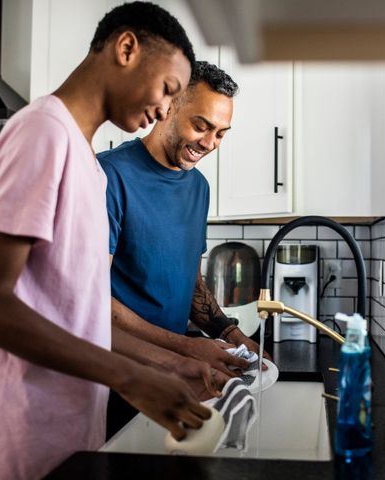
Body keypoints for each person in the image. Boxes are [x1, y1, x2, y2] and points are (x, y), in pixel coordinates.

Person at [0, 3, 211, 479]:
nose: (167, 109)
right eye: (167, 89)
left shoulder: (86, 162)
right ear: (126, 48)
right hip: (9, 430)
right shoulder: (43, 132)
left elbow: (76, 313)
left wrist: (171, 365)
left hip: (60, 431)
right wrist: (130, 375)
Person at [97, 61, 272, 433]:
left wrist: (235, 337)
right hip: (115, 379)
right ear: (169, 106)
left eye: (221, 134)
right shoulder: (109, 176)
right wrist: (187, 348)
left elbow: (191, 287)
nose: (209, 144)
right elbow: (90, 299)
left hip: (176, 378)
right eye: (201, 125)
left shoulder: (198, 188)